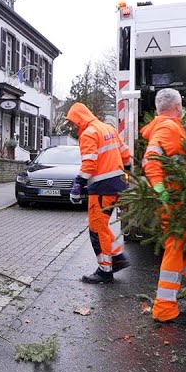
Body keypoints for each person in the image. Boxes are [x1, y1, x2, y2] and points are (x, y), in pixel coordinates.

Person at [141, 88, 186, 324]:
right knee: (175, 248)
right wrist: (161, 189)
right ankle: (164, 309)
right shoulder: (169, 127)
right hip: (173, 200)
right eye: (181, 106)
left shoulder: (165, 127)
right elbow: (151, 159)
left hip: (176, 199)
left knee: (181, 247)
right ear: (178, 107)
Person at [66, 102, 132, 283]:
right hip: (117, 185)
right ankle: (117, 257)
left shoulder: (89, 134)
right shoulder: (106, 128)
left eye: (73, 122)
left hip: (102, 188)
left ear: (79, 120)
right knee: (102, 226)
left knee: (97, 229)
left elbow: (89, 163)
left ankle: (105, 270)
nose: (73, 126)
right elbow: (126, 155)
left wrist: (78, 185)